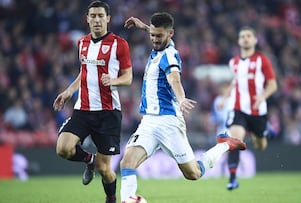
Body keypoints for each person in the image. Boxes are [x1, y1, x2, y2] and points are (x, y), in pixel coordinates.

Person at [119, 12, 246, 202]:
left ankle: (225, 144)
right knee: (127, 162)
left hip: (168, 122)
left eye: (158, 36)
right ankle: (128, 200)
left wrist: (181, 99)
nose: (153, 40)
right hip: (148, 122)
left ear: (170, 33)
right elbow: (157, 33)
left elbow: (174, 79)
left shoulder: (169, 55)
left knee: (193, 173)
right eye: (152, 35)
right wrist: (143, 26)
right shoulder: (162, 44)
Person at [53, 1, 132, 203]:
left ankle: (111, 198)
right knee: (63, 148)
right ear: (87, 19)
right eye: (93, 16)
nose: (97, 20)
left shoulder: (119, 44)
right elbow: (84, 71)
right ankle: (89, 159)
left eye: (100, 16)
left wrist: (113, 81)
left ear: (108, 18)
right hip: (83, 109)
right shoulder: (82, 43)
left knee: (105, 169)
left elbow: (128, 78)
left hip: (108, 113)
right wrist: (70, 90)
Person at [220, 26, 277, 190]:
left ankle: (264, 130)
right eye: (242, 36)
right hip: (238, 108)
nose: (245, 38)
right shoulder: (234, 62)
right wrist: (224, 99)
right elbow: (235, 82)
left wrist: (262, 97)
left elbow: (273, 84)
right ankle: (232, 178)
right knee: (235, 140)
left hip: (258, 110)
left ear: (254, 40)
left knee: (260, 146)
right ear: (238, 41)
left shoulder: (262, 60)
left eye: (248, 36)